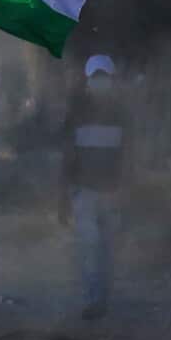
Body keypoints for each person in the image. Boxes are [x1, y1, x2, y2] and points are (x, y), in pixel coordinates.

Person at [59, 54, 129, 320]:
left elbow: (130, 155)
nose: (101, 84)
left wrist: (127, 188)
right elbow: (68, 157)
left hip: (112, 192)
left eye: (105, 79)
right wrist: (63, 197)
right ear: (88, 82)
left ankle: (102, 298)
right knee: (89, 247)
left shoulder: (122, 115)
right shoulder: (76, 114)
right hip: (84, 192)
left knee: (107, 249)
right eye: (96, 79)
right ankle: (92, 299)